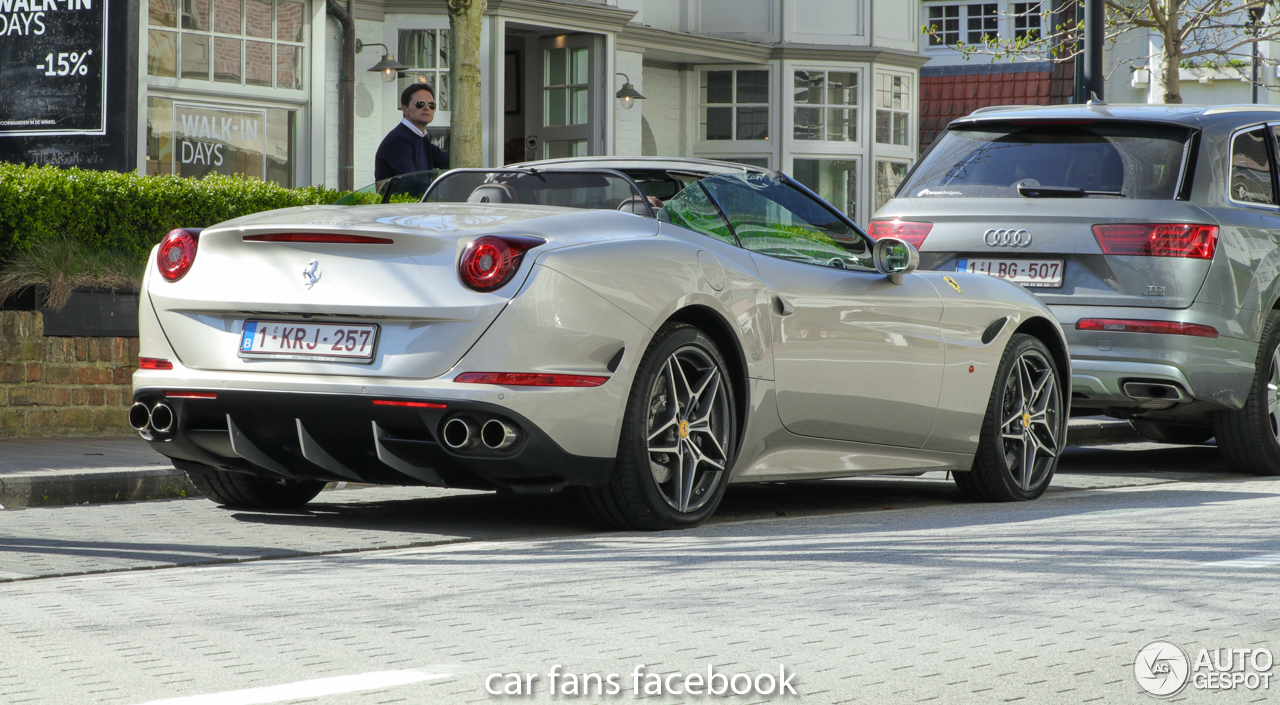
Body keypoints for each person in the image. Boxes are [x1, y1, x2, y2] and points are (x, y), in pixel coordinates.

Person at [374, 83, 450, 182]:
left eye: (431, 104)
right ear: (405, 109)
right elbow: (410, 183)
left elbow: (451, 161)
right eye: (420, 104)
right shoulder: (399, 140)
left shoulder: (421, 138)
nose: (427, 108)